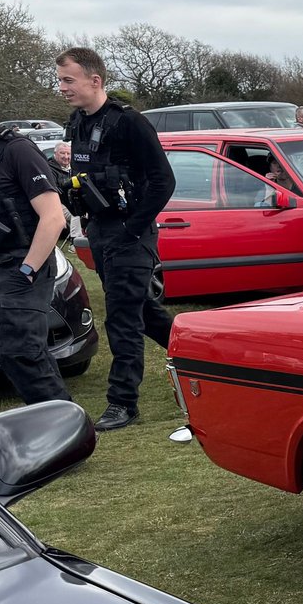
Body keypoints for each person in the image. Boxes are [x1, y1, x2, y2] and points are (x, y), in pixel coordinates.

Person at [54, 48, 175, 430]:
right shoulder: (76, 123)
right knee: (140, 309)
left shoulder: (130, 123)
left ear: (95, 80)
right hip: (102, 231)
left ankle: (123, 402)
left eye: (68, 80)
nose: (62, 88)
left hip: (130, 233)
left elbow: (163, 181)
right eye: (59, 80)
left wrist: (133, 228)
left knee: (122, 318)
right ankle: (200, 353)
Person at [0, 73, 71, 405]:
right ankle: (62, 427)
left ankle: (64, 431)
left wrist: (27, 271)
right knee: (16, 355)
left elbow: (53, 218)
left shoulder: (17, 150)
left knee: (23, 353)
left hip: (23, 265)